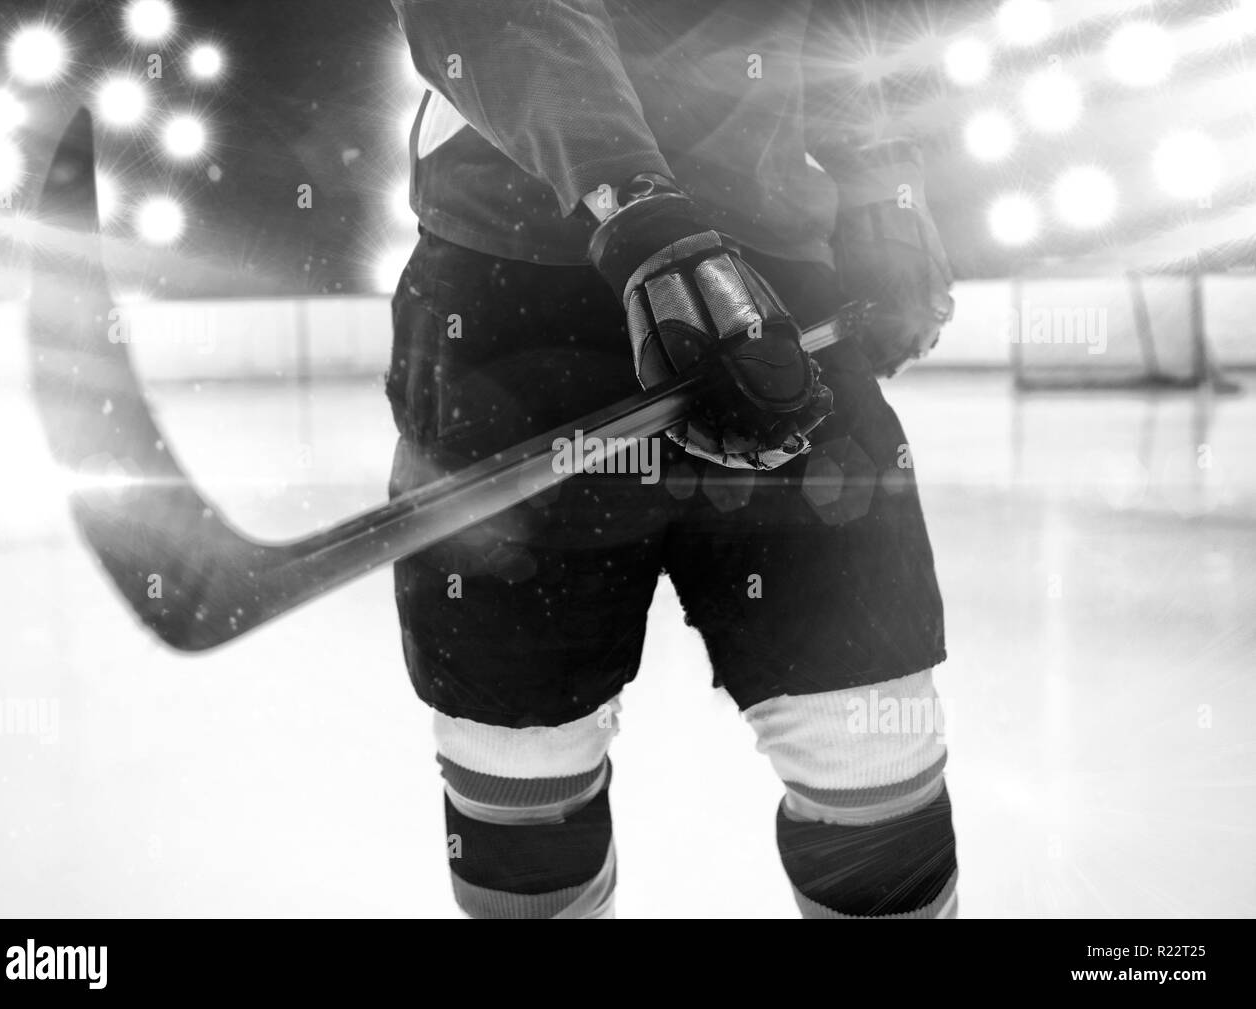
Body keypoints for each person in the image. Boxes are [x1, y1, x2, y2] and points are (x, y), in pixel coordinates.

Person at [386, 0, 957, 918]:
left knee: (866, 734)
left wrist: (886, 182)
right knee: (520, 752)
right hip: (516, 291)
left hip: (770, 292)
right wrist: (636, 203)